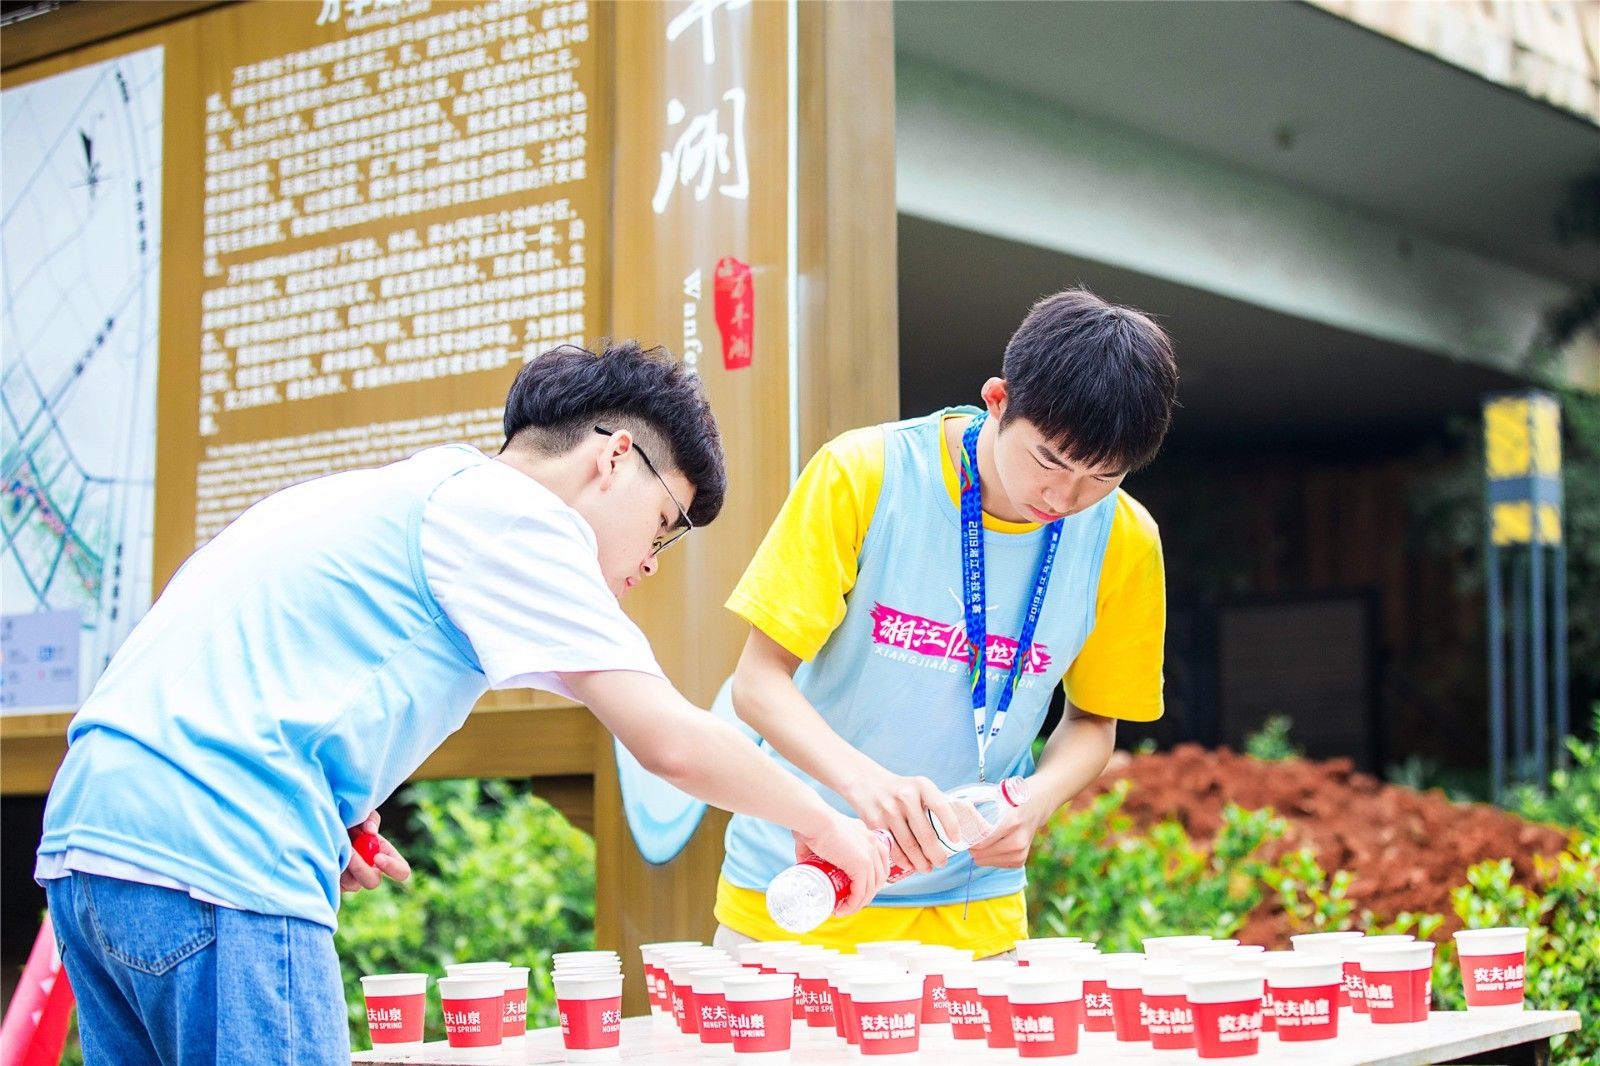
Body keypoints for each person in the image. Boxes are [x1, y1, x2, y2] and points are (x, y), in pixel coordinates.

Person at [35, 341, 888, 1065]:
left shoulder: (409, 495)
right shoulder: (515, 520)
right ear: (615, 457)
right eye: (666, 524)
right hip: (221, 860)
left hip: (92, 855)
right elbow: (670, 741)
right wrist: (822, 822)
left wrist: (328, 812)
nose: (653, 560)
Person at [713, 288, 1177, 958]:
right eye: (1048, 458)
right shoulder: (865, 474)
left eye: (1100, 476)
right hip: (802, 885)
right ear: (997, 399)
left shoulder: (1126, 540)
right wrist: (868, 788)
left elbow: (1094, 722)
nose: (1063, 496)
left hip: (971, 909)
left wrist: (1037, 800)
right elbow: (757, 685)